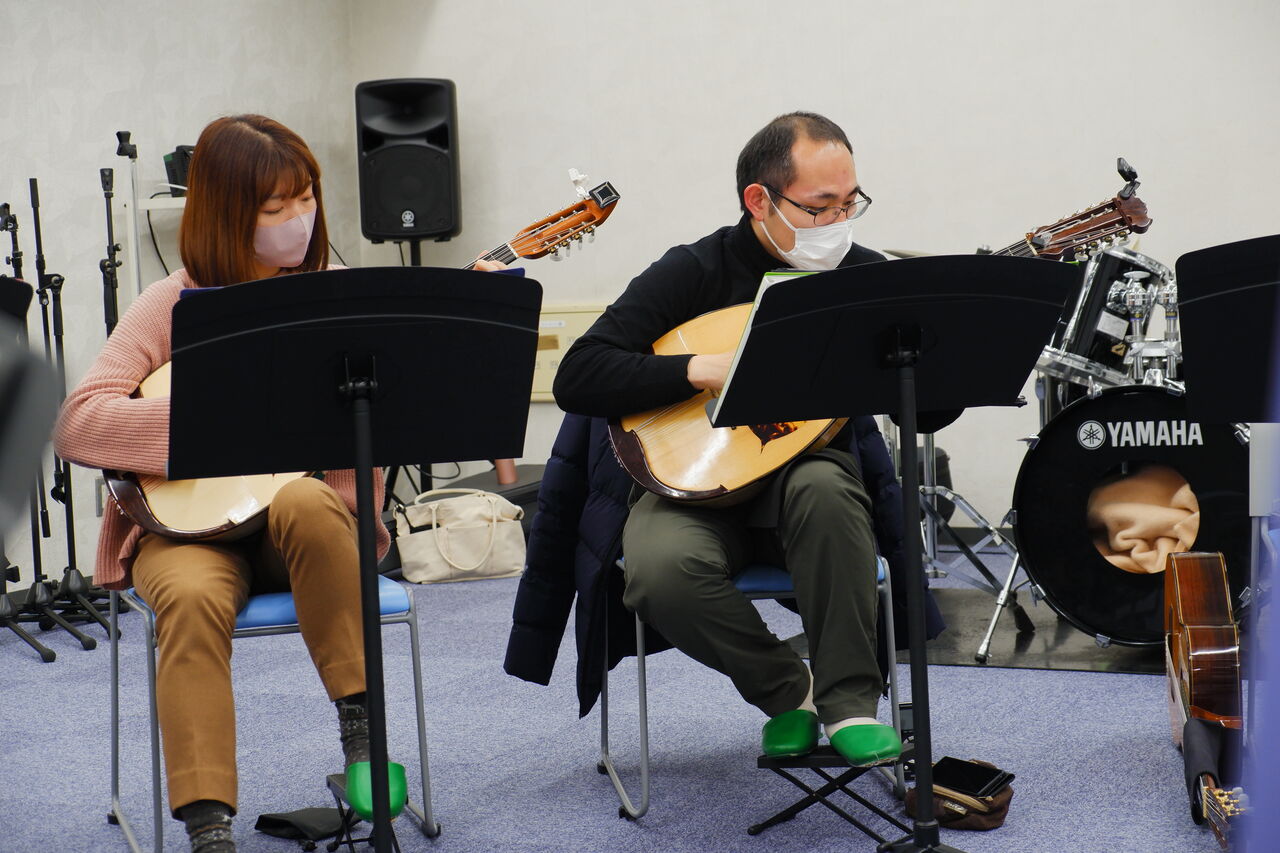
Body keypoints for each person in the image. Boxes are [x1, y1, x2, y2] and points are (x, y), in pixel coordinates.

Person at [54, 115, 389, 853]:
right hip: (186, 534)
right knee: (190, 597)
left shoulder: (338, 296)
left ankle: (362, 732)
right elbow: (78, 422)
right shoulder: (171, 302)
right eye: (275, 207)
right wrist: (205, 420)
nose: (297, 219)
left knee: (308, 500)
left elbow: (389, 413)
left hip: (302, 534)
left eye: (306, 198)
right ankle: (210, 828)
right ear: (227, 212)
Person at [547, 112, 903, 765]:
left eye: (850, 203)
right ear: (759, 200)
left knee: (826, 489)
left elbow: (927, 414)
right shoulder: (694, 271)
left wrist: (930, 355)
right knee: (658, 571)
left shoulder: (863, 277)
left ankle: (851, 703)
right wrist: (697, 369)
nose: (838, 222)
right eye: (820, 206)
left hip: (805, 481)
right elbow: (579, 374)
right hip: (693, 486)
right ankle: (789, 692)